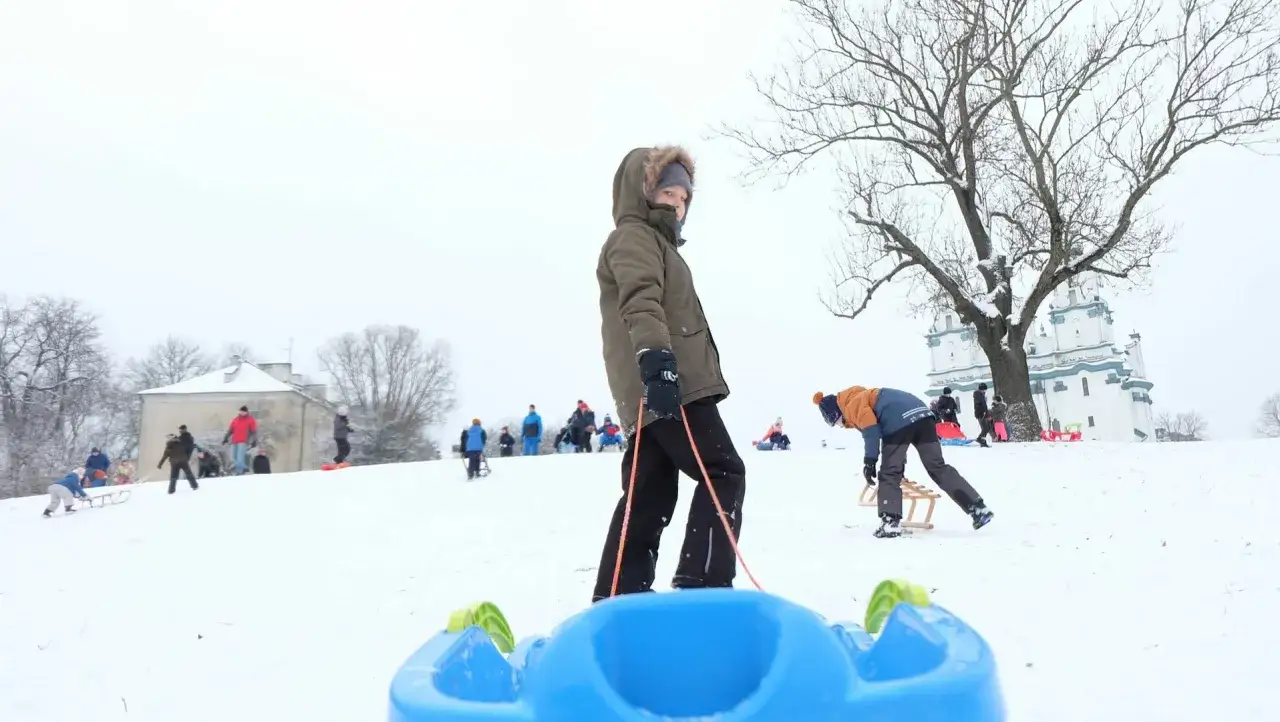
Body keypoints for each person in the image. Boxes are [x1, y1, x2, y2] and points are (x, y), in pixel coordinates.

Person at [593, 145, 745, 602]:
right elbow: (640, 299)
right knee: (723, 471)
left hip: (654, 385)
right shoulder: (634, 237)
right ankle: (703, 585)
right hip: (670, 382)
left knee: (650, 493)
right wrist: (657, 363)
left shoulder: (658, 244)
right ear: (643, 192)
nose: (677, 204)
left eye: (684, 197)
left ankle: (619, 597)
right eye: (667, 193)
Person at [813, 387, 992, 538]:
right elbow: (895, 433)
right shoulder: (868, 395)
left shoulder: (852, 404)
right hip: (924, 417)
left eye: (835, 421)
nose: (840, 425)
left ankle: (890, 522)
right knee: (937, 466)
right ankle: (977, 508)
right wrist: (899, 463)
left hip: (900, 422)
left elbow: (871, 432)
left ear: (835, 412)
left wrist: (869, 462)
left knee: (889, 473)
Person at [222, 406, 258, 475]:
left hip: (243, 441)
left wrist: (254, 440)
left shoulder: (250, 419)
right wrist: (225, 438)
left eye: (243, 411)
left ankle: (240, 472)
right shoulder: (236, 419)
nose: (242, 412)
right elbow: (230, 430)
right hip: (234, 441)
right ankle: (243, 469)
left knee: (239, 458)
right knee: (233, 458)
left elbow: (253, 431)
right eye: (241, 411)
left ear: (246, 412)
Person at [973, 383, 992, 448]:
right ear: (982, 389)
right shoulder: (979, 395)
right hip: (981, 414)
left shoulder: (980, 395)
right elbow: (982, 405)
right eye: (985, 389)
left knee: (986, 428)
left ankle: (982, 441)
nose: (985, 391)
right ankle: (980, 439)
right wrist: (986, 413)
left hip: (982, 413)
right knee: (985, 428)